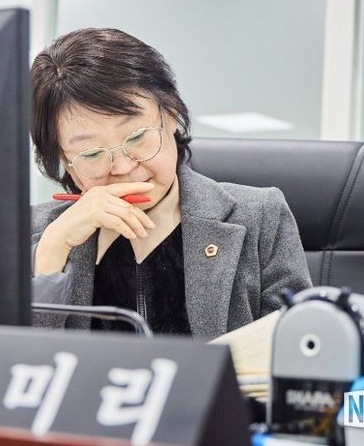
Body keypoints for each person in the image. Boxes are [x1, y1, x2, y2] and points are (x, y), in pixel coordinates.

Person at [30, 28, 311, 338]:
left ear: (171, 116)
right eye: (92, 154)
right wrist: (51, 253)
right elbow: (12, 360)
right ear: (64, 160)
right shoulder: (30, 234)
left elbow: (299, 348)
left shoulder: (259, 218)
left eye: (137, 137)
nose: (123, 167)